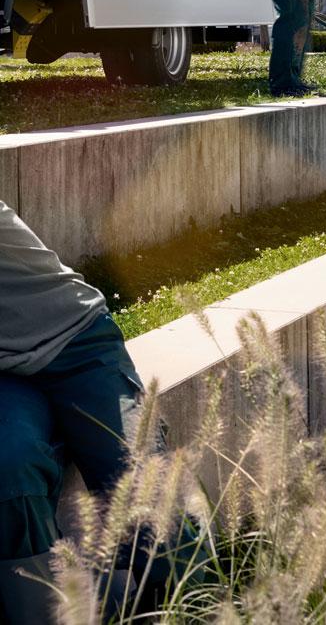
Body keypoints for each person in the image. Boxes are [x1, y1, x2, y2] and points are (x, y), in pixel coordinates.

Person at [0, 200, 201, 623]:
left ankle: (189, 607)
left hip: (76, 343)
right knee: (10, 466)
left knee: (146, 487)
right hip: (7, 374)